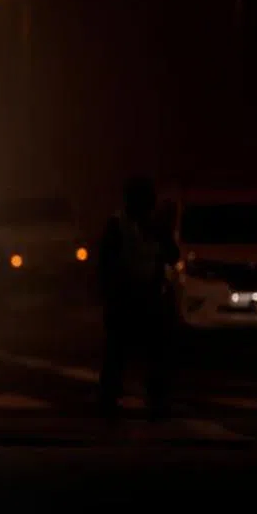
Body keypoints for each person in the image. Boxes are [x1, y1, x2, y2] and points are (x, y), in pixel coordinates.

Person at [97, 175, 180, 421]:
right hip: (125, 299)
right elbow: (106, 264)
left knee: (154, 353)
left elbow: (172, 255)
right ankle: (109, 399)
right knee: (118, 353)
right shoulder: (118, 226)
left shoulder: (155, 227)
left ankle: (157, 399)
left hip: (148, 298)